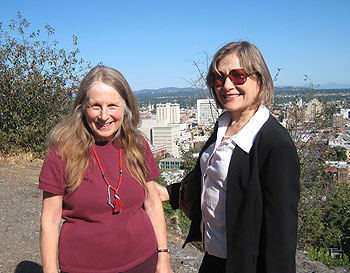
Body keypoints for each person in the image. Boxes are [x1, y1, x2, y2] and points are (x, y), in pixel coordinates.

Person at [155, 41, 300, 273]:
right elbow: (211, 176)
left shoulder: (274, 144)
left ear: (260, 80)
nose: (227, 85)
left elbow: (280, 232)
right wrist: (169, 192)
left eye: (238, 75)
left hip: (243, 265)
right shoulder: (224, 124)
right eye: (219, 78)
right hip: (212, 258)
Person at [39, 66, 173, 273]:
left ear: (126, 106)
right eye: (95, 106)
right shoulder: (62, 152)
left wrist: (163, 256)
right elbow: (50, 220)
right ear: (82, 107)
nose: (104, 116)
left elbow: (153, 202)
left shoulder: (136, 145)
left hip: (143, 260)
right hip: (83, 267)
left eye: (112, 106)